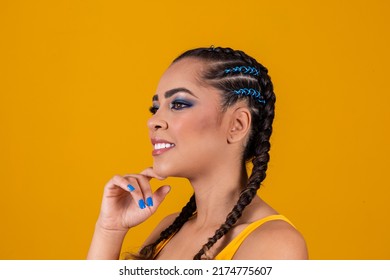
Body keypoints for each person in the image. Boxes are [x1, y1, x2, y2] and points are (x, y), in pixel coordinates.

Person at [87, 46, 308, 260]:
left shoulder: (275, 243)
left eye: (179, 104)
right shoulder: (169, 230)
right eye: (156, 108)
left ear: (238, 125)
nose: (153, 121)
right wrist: (110, 229)